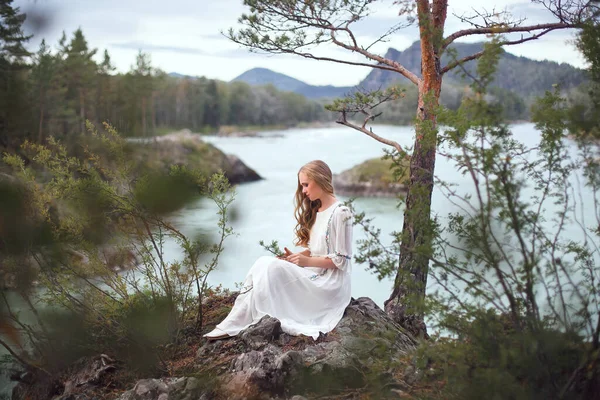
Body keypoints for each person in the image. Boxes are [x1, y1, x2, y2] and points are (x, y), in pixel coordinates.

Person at [203, 160, 353, 340]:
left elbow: (341, 260)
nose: (303, 191)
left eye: (306, 184)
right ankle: (234, 321)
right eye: (302, 185)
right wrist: (297, 256)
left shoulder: (341, 213)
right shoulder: (318, 210)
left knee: (269, 266)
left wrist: (306, 262)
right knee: (265, 263)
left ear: (320, 180)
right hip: (315, 274)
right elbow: (317, 251)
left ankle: (237, 322)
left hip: (330, 285)